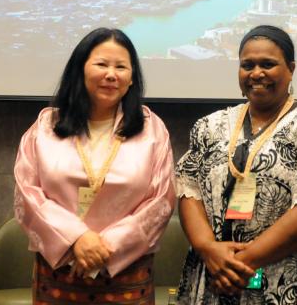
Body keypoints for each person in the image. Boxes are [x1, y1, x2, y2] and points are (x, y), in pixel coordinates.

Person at [176, 25, 297, 305]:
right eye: (247, 65)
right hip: (219, 280)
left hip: (294, 287)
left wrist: (242, 262)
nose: (256, 73)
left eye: (268, 64)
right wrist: (208, 249)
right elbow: (188, 190)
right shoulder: (210, 126)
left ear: (291, 69)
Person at [14, 27, 176, 305]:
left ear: (131, 78)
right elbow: (28, 194)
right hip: (60, 272)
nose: (111, 74)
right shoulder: (46, 126)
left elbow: (161, 200)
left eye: (121, 67)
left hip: (126, 273)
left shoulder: (151, 129)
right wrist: (76, 240)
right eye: (101, 64)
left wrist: (104, 248)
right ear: (80, 69)